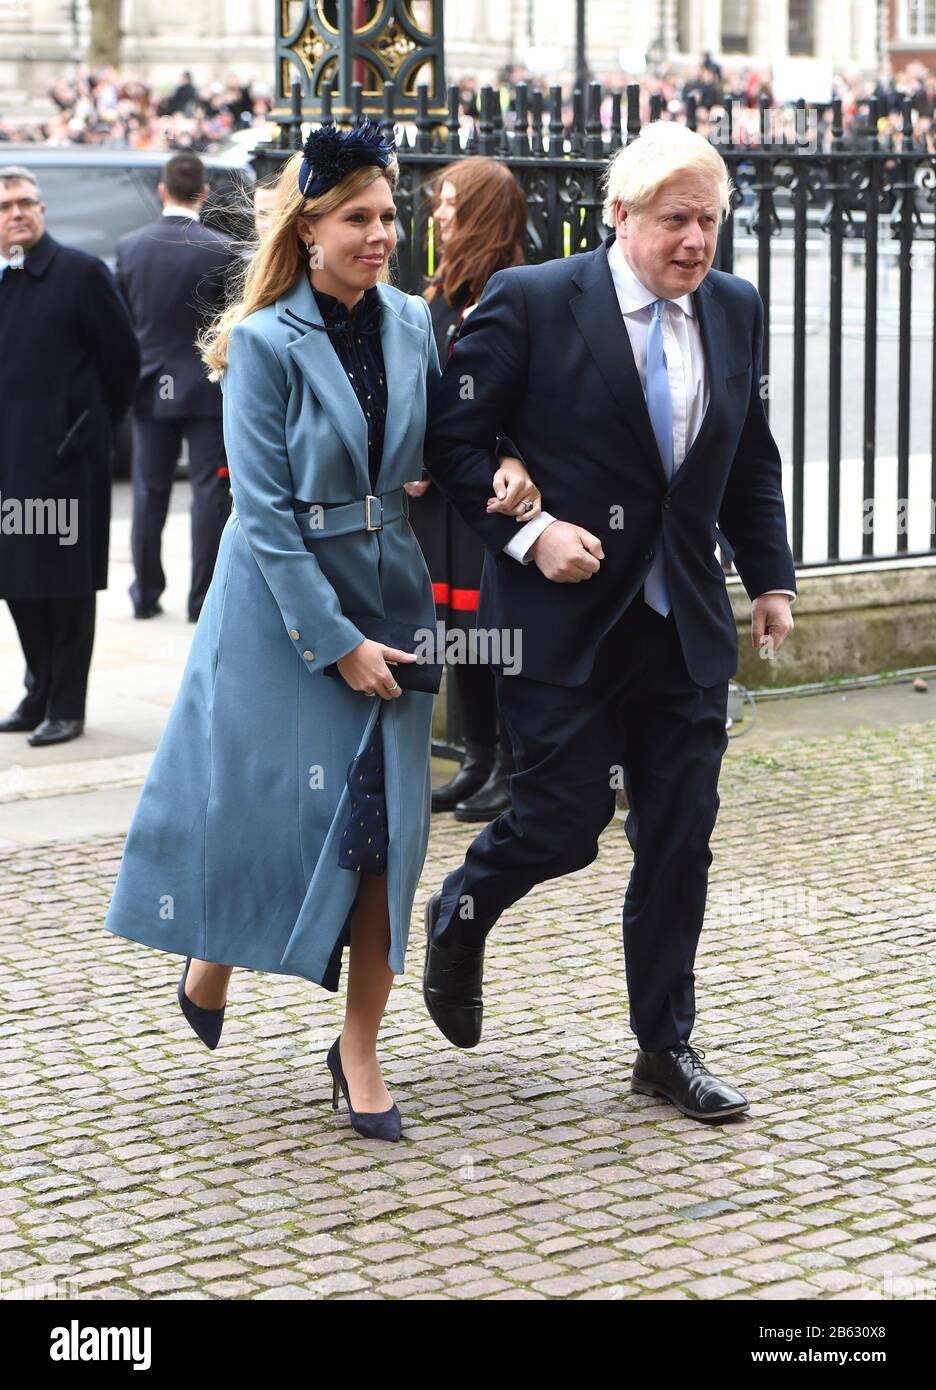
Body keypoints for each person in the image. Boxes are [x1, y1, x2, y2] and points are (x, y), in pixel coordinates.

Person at [101, 124, 539, 1143]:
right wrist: (335, 641)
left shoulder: (407, 322)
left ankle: (359, 1046)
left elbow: (449, 436)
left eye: (390, 215)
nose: (385, 234)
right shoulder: (261, 344)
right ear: (307, 231)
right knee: (271, 809)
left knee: (386, 832)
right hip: (278, 608)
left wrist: (513, 461)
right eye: (361, 219)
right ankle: (213, 950)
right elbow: (261, 513)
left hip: (392, 585)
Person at [422, 120, 797, 1122]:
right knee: (562, 822)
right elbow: (454, 440)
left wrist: (771, 579)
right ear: (620, 215)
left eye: (710, 221)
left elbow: (747, 452)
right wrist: (530, 531)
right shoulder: (535, 301)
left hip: (682, 625)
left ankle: (664, 1044)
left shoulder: (733, 307)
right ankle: (458, 913)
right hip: (564, 618)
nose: (697, 241)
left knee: (680, 837)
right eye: (677, 220)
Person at [406, 157, 529, 823]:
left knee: (493, 632)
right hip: (441, 497)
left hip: (485, 494)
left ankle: (512, 764)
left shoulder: (510, 287)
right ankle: (477, 757)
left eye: (451, 203)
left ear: (481, 211)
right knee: (458, 634)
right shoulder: (441, 290)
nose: (439, 214)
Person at [0, 164, 139, 746]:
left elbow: (124, 363)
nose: (17, 213)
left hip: (64, 462)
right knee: (16, 583)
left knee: (65, 586)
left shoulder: (80, 274)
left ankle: (66, 704)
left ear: (43, 209)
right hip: (7, 463)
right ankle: (37, 692)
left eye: (26, 203)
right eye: (6, 207)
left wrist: (84, 430)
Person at [116, 152, 240, 622]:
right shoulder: (220, 247)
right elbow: (230, 324)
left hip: (150, 384)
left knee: (149, 492)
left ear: (162, 191)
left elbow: (121, 322)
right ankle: (200, 598)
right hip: (204, 385)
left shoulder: (131, 247)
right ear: (204, 193)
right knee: (209, 494)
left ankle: (145, 594)